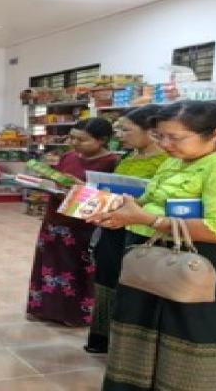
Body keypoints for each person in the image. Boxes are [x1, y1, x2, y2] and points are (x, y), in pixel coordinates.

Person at [89, 101, 216, 391]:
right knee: (139, 329)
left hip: (211, 263)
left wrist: (148, 219)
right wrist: (121, 212)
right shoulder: (174, 161)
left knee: (190, 336)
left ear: (215, 134)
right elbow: (153, 200)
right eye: (160, 136)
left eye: (175, 137)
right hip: (158, 257)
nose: (165, 144)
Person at [84, 105, 168, 354]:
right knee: (106, 279)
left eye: (126, 130)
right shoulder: (126, 158)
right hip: (113, 227)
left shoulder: (167, 162)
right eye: (119, 129)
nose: (120, 135)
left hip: (143, 231)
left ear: (150, 131)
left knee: (131, 284)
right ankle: (102, 337)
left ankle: (126, 346)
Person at [27, 117, 120, 326]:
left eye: (82, 140)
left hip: (83, 225)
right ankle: (45, 309)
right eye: (72, 138)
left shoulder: (112, 162)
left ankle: (73, 315)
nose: (74, 143)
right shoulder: (68, 156)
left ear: (102, 140)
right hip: (56, 218)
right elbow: (58, 180)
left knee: (77, 269)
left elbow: (110, 198)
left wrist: (82, 189)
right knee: (50, 265)